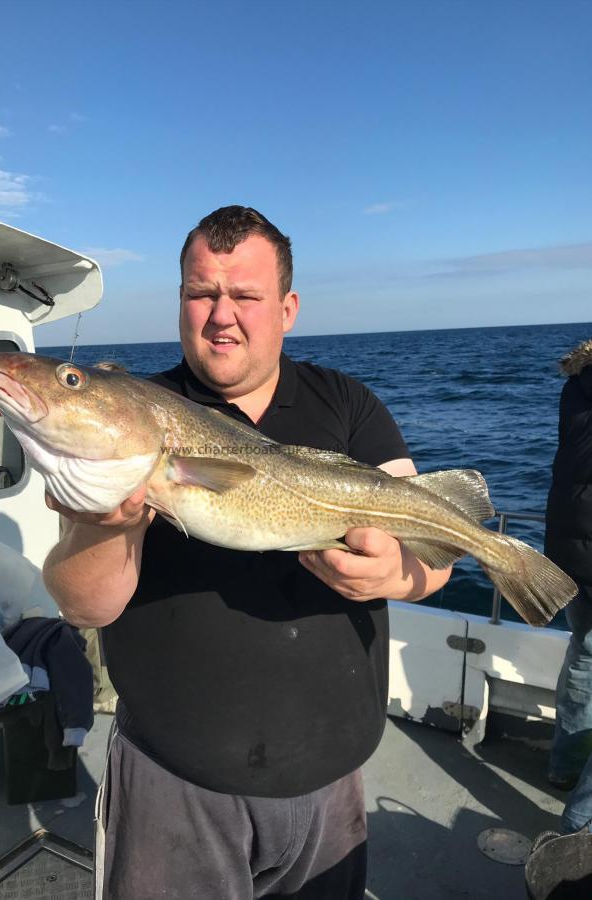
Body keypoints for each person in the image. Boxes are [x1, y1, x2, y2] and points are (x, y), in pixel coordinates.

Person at [43, 206, 452, 899]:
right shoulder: (134, 411)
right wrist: (105, 525)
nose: (220, 315)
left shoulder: (348, 406)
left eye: (244, 296)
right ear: (178, 301)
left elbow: (432, 552)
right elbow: (83, 604)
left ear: (286, 308)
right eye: (201, 293)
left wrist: (400, 576)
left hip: (332, 783)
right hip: (172, 785)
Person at [545, 338, 592, 833]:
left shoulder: (578, 384)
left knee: (585, 651)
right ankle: (581, 826)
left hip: (571, 548)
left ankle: (563, 765)